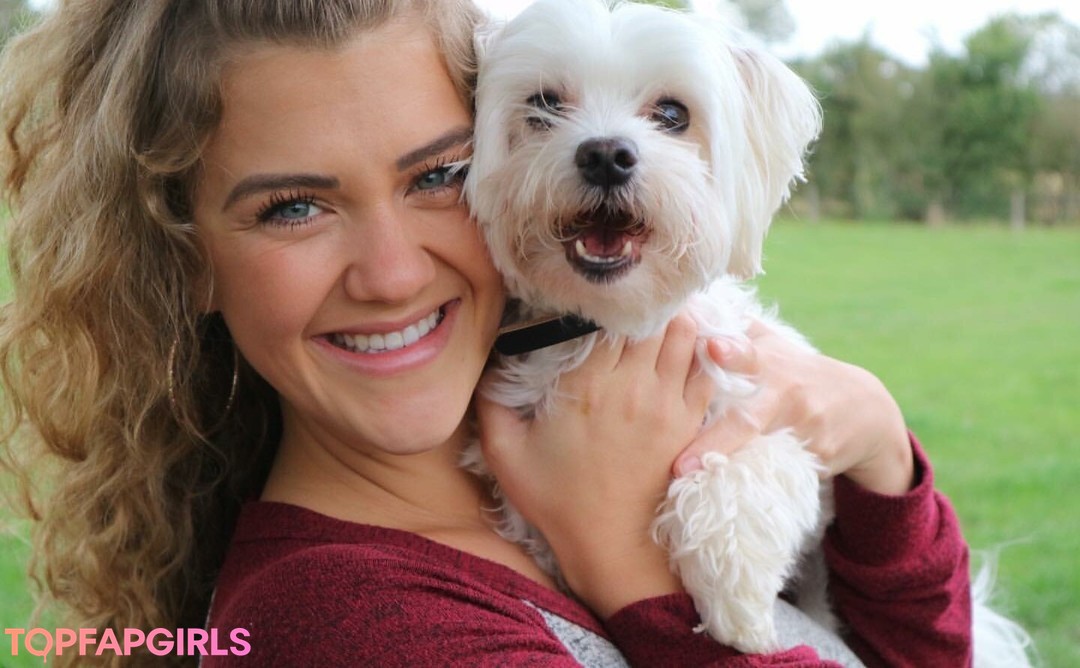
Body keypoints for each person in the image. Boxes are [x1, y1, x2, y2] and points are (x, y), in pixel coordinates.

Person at [0, 1, 972, 666]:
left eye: (436, 177)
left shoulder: (615, 425)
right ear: (186, 258)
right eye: (294, 207)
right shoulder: (347, 625)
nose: (392, 274)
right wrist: (633, 574)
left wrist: (881, 453)